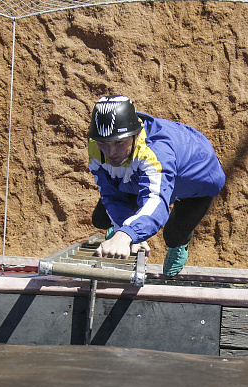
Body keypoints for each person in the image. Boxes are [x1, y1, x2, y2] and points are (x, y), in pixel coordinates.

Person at [87, 95, 225, 277]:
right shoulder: (96, 144)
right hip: (144, 171)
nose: (110, 152)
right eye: (103, 143)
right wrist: (125, 227)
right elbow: (110, 193)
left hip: (194, 184)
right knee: (101, 218)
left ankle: (180, 244)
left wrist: (126, 234)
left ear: (136, 135)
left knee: (173, 236)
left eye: (119, 142)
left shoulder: (156, 152)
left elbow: (156, 202)